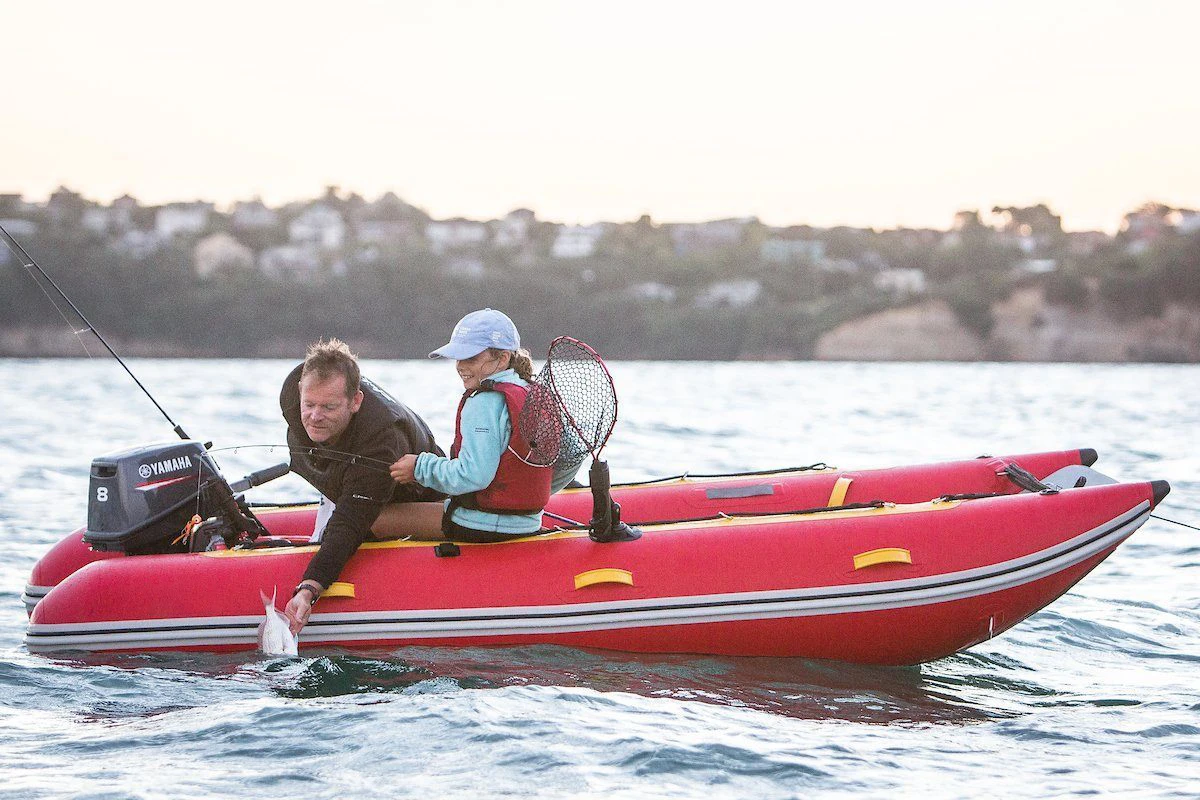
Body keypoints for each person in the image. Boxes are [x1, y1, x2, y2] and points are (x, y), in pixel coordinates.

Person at [281, 338, 446, 634]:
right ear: (300, 391)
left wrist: (309, 587)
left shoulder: (382, 442)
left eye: (329, 407)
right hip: (344, 478)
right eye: (310, 404)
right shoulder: (295, 401)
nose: (315, 416)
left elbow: (351, 522)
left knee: (365, 524)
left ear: (355, 401)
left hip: (412, 498)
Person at [390, 308, 581, 541]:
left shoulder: (484, 402)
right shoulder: (534, 393)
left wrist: (419, 467)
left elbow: (474, 476)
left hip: (480, 526)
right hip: (527, 523)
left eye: (471, 357)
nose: (460, 366)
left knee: (380, 520)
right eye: (458, 357)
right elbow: (571, 460)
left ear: (502, 358)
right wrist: (525, 494)